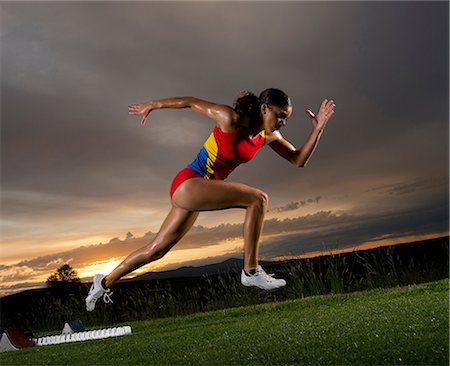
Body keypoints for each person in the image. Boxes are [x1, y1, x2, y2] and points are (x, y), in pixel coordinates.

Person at [85, 88, 335, 311]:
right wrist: (154, 104)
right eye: (279, 115)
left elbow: (299, 160)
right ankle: (250, 271)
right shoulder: (230, 119)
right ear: (264, 108)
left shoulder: (268, 137)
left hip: (199, 190)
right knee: (258, 199)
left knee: (156, 250)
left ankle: (103, 282)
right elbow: (191, 102)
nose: (281, 122)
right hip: (189, 182)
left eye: (286, 118)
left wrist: (318, 129)